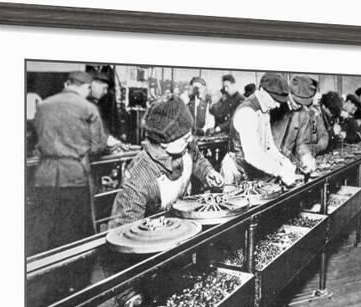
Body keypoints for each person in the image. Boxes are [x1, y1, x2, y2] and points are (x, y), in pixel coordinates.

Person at [108, 95, 224, 229]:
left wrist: (207, 172)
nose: (190, 139)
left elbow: (196, 157)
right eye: (185, 138)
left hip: (182, 225)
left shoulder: (184, 145)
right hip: (154, 239)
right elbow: (125, 233)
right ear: (164, 143)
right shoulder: (138, 179)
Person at [32, 71, 108, 253]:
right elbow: (98, 145)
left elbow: (35, 137)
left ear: (67, 84)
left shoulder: (42, 106)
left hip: (44, 176)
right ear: (87, 87)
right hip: (74, 177)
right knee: (74, 234)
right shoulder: (88, 108)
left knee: (45, 232)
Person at [220, 73, 297, 186]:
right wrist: (280, 171)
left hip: (252, 171)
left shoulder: (265, 110)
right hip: (236, 172)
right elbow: (253, 155)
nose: (277, 105)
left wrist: (283, 161)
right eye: (275, 100)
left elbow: (269, 147)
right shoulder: (247, 112)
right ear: (262, 91)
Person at [270, 75, 317, 173]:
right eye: (296, 101)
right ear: (289, 93)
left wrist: (306, 156)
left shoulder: (304, 114)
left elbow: (302, 143)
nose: (298, 106)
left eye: (302, 104)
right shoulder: (274, 107)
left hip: (287, 162)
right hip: (268, 161)